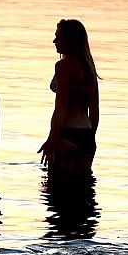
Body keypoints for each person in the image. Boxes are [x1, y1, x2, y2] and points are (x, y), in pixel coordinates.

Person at [38, 19, 100, 174]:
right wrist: (90, 138)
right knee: (83, 192)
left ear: (69, 40)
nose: (54, 41)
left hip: (67, 134)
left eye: (58, 37)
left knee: (58, 193)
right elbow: (94, 110)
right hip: (87, 135)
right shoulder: (89, 67)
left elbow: (61, 107)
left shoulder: (63, 66)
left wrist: (52, 138)